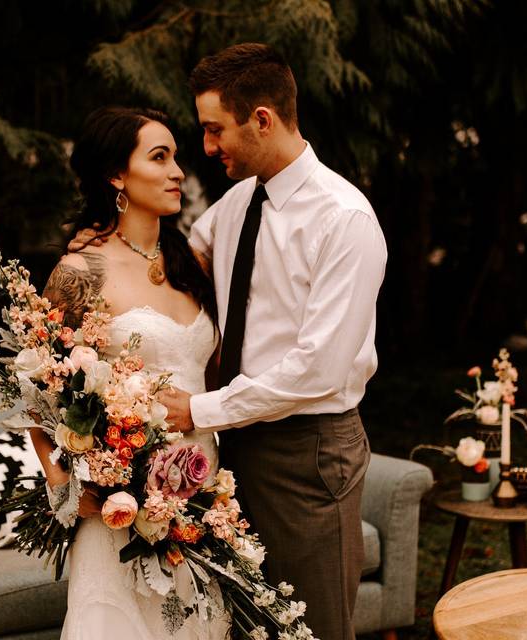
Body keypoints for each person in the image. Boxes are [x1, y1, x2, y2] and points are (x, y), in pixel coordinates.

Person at [157, 43, 388, 640]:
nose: (206, 148)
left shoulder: (345, 219)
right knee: (242, 623)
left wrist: (200, 408)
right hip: (234, 450)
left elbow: (319, 369)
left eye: (214, 130)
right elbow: (181, 269)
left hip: (306, 452)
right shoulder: (237, 203)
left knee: (311, 629)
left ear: (262, 118)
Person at [29, 106, 228, 640]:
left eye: (176, 158)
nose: (177, 172)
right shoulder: (80, 271)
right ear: (117, 175)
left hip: (203, 494)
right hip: (120, 506)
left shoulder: (193, 264)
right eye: (158, 158)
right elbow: (32, 388)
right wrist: (67, 485)